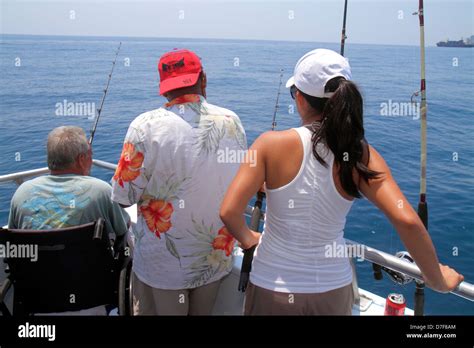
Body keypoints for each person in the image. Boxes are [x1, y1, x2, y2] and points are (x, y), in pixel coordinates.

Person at [220, 48, 464, 315]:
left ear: (300, 99)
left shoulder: (269, 145)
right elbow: (406, 220)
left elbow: (230, 211)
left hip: (273, 287)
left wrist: (249, 238)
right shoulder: (362, 154)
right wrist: (437, 280)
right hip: (333, 291)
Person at [111, 49, 247, 315]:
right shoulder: (232, 121)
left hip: (162, 266)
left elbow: (122, 196)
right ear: (203, 79)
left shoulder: (144, 126)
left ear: (163, 89)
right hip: (214, 259)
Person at [8, 126, 130, 315]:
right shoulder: (101, 190)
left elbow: (13, 241)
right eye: (89, 154)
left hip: (37, 301)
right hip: (92, 299)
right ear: (81, 159)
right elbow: (123, 232)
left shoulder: (21, 193)